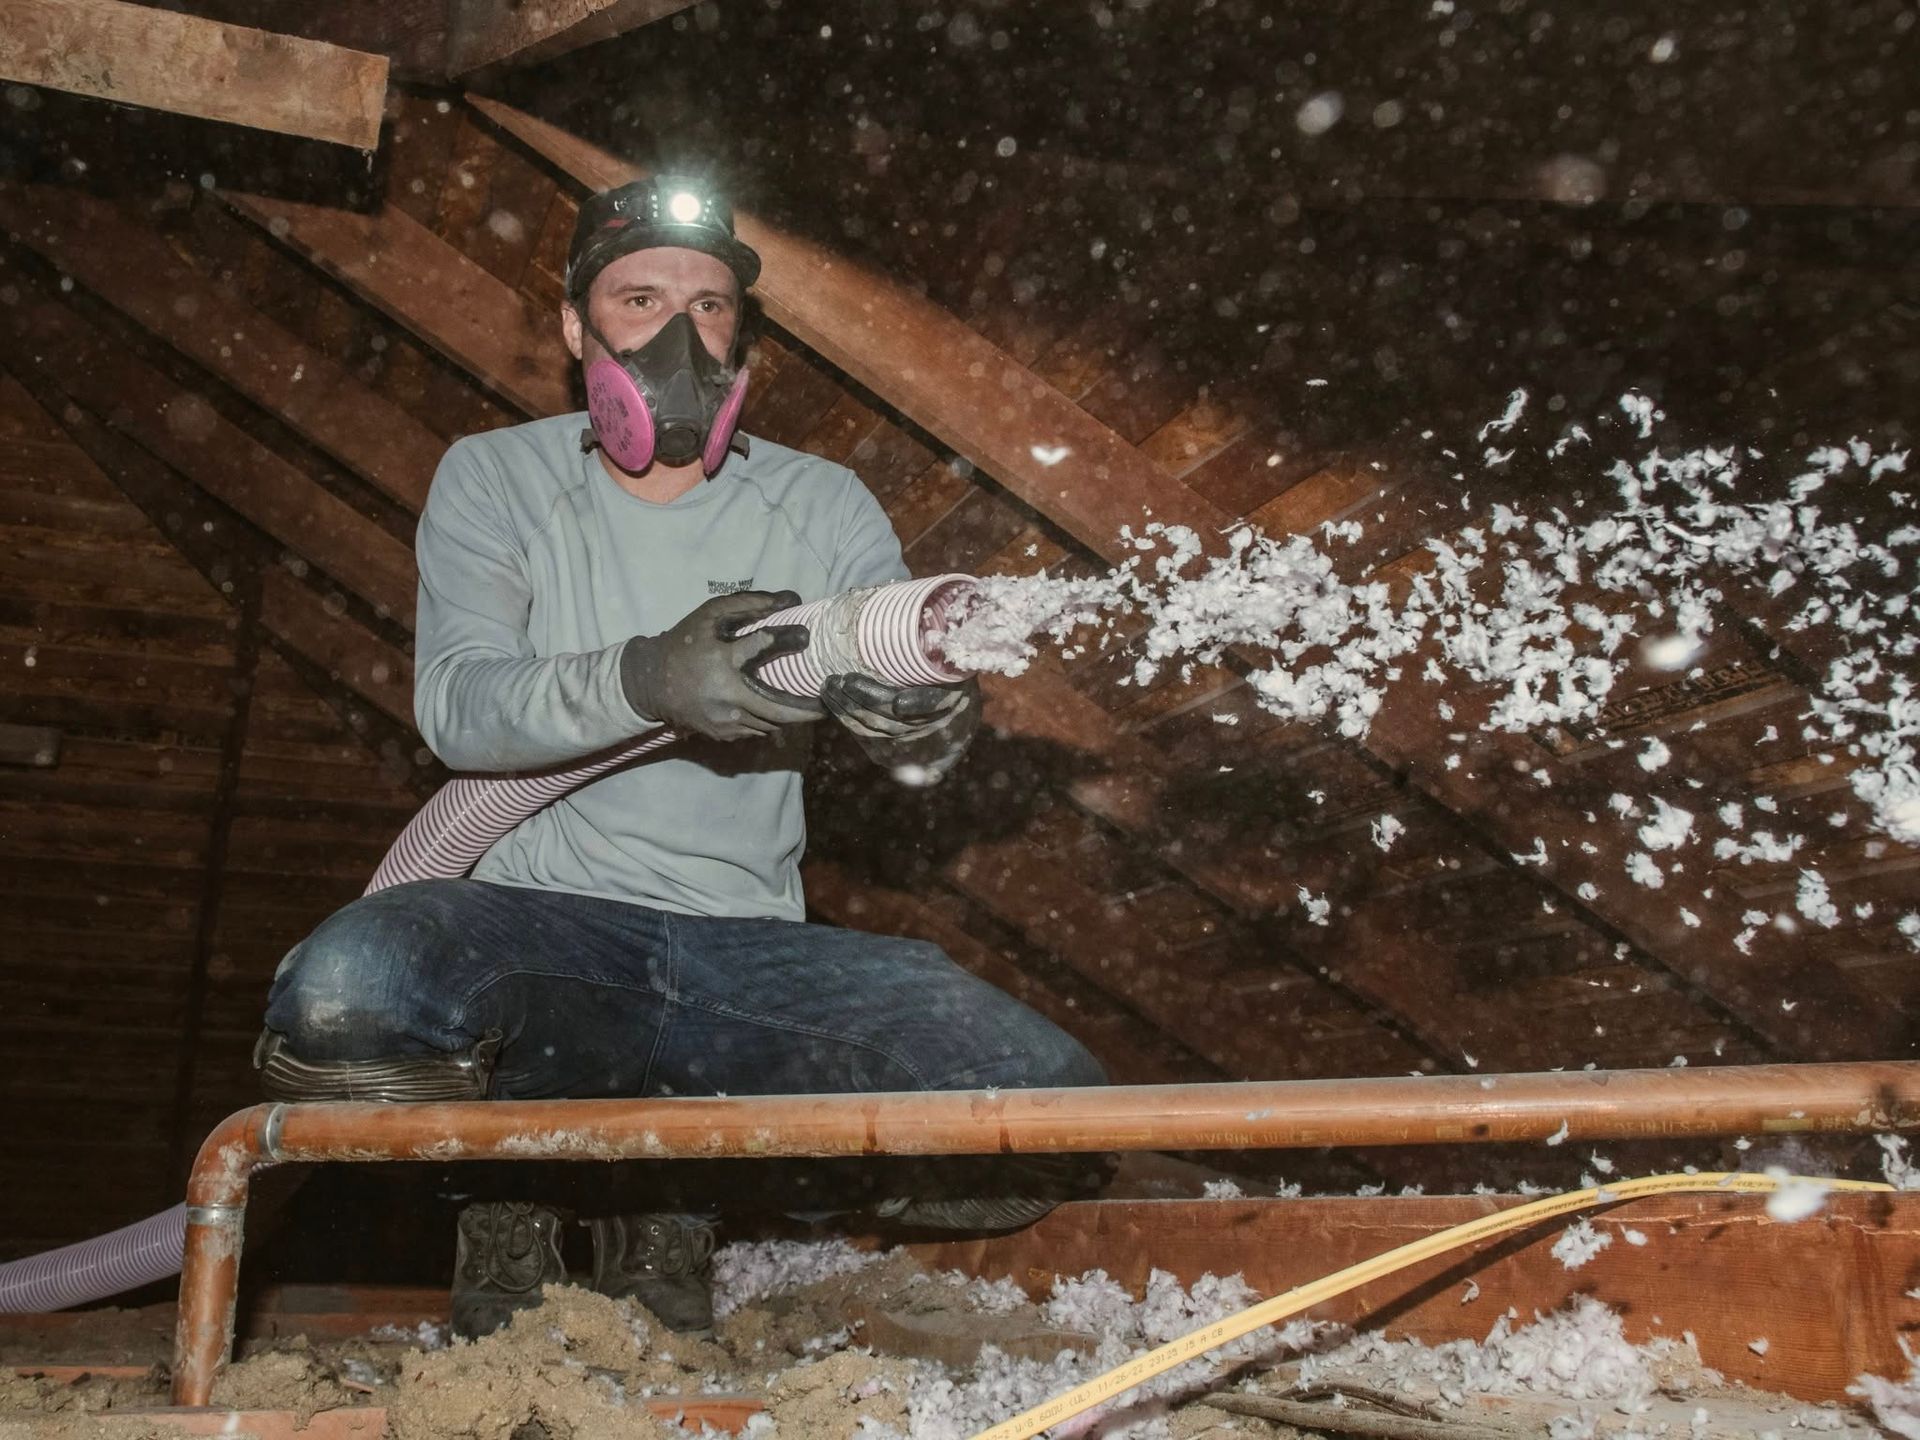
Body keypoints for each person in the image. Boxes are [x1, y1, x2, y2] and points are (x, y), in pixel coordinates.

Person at [253, 175, 1108, 1339]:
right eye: (639, 297)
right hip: (539, 930)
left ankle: (690, 1197)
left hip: (746, 953)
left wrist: (920, 724)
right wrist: (645, 678)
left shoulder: (820, 500)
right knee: (346, 990)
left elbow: (893, 684)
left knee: (1055, 1104)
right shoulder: (497, 477)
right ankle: (512, 1191)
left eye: (708, 308)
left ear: (741, 335)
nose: (679, 335)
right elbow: (458, 706)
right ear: (575, 328)